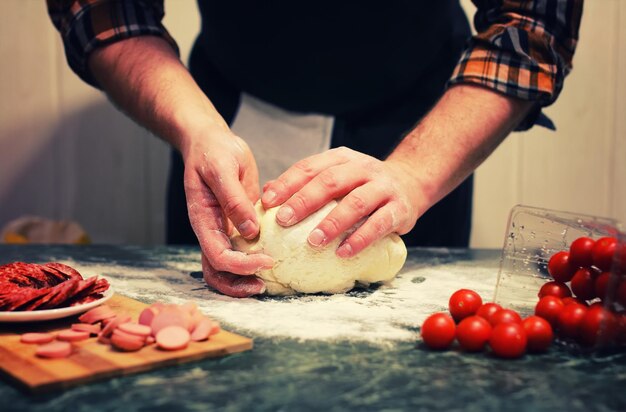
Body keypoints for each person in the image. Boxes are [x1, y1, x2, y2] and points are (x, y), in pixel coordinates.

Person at [47, 0, 582, 297]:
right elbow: (103, 8)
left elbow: (531, 24)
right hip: (222, 112)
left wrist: (414, 175)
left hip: (414, 126)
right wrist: (195, 128)